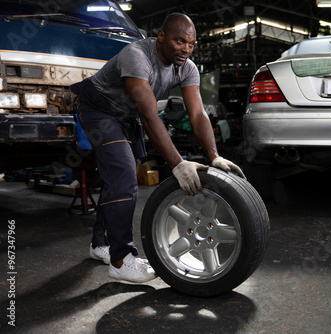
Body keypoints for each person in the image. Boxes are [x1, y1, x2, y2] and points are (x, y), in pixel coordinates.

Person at [70, 13, 245, 283]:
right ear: (161, 36)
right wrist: (178, 163)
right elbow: (149, 114)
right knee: (124, 175)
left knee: (115, 177)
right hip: (99, 109)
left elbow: (197, 114)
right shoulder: (136, 55)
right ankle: (120, 259)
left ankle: (100, 244)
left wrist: (215, 156)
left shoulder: (187, 67)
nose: (185, 49)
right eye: (179, 41)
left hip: (125, 115)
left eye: (191, 43)